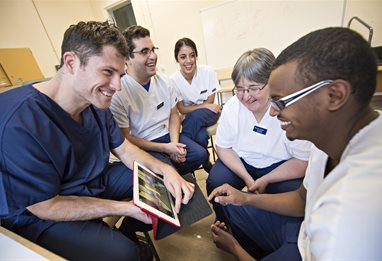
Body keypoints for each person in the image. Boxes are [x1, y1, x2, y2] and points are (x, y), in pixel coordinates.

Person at [0, 21, 194, 261]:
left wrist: (165, 169)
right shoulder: (18, 121)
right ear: (71, 62)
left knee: (164, 183)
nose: (117, 85)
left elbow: (125, 150)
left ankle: (125, 232)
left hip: (91, 181)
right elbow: (45, 206)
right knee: (125, 255)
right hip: (40, 212)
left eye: (120, 74)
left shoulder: (96, 104)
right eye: (107, 72)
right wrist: (125, 208)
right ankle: (126, 243)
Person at [209, 27, 382, 260]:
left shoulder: (355, 209)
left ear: (334, 95)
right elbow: (302, 199)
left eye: (281, 101)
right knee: (233, 205)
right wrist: (245, 198)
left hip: (307, 248)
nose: (273, 112)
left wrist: (235, 250)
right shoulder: (327, 144)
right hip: (304, 238)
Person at [206, 48, 311, 223]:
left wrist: (267, 178)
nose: (246, 97)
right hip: (242, 162)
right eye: (239, 89)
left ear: (272, 83)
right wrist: (247, 178)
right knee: (216, 181)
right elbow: (223, 147)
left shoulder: (288, 111)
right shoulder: (233, 107)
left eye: (253, 89)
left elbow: (303, 160)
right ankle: (226, 223)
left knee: (296, 194)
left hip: (279, 167)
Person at [110, 26, 208, 175]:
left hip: (167, 136)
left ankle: (170, 171)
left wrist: (174, 144)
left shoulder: (165, 82)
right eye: (144, 52)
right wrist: (164, 149)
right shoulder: (119, 92)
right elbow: (126, 138)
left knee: (200, 154)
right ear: (127, 58)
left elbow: (174, 114)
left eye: (153, 50)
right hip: (144, 145)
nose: (153, 56)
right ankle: (168, 173)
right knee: (167, 170)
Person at [171, 37, 221, 172]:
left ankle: (181, 152)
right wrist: (204, 105)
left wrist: (202, 107)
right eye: (183, 57)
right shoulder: (173, 80)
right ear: (177, 59)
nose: (188, 61)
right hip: (194, 118)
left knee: (195, 116)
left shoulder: (208, 71)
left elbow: (210, 102)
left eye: (192, 56)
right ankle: (205, 161)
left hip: (209, 114)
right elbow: (180, 108)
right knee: (201, 136)